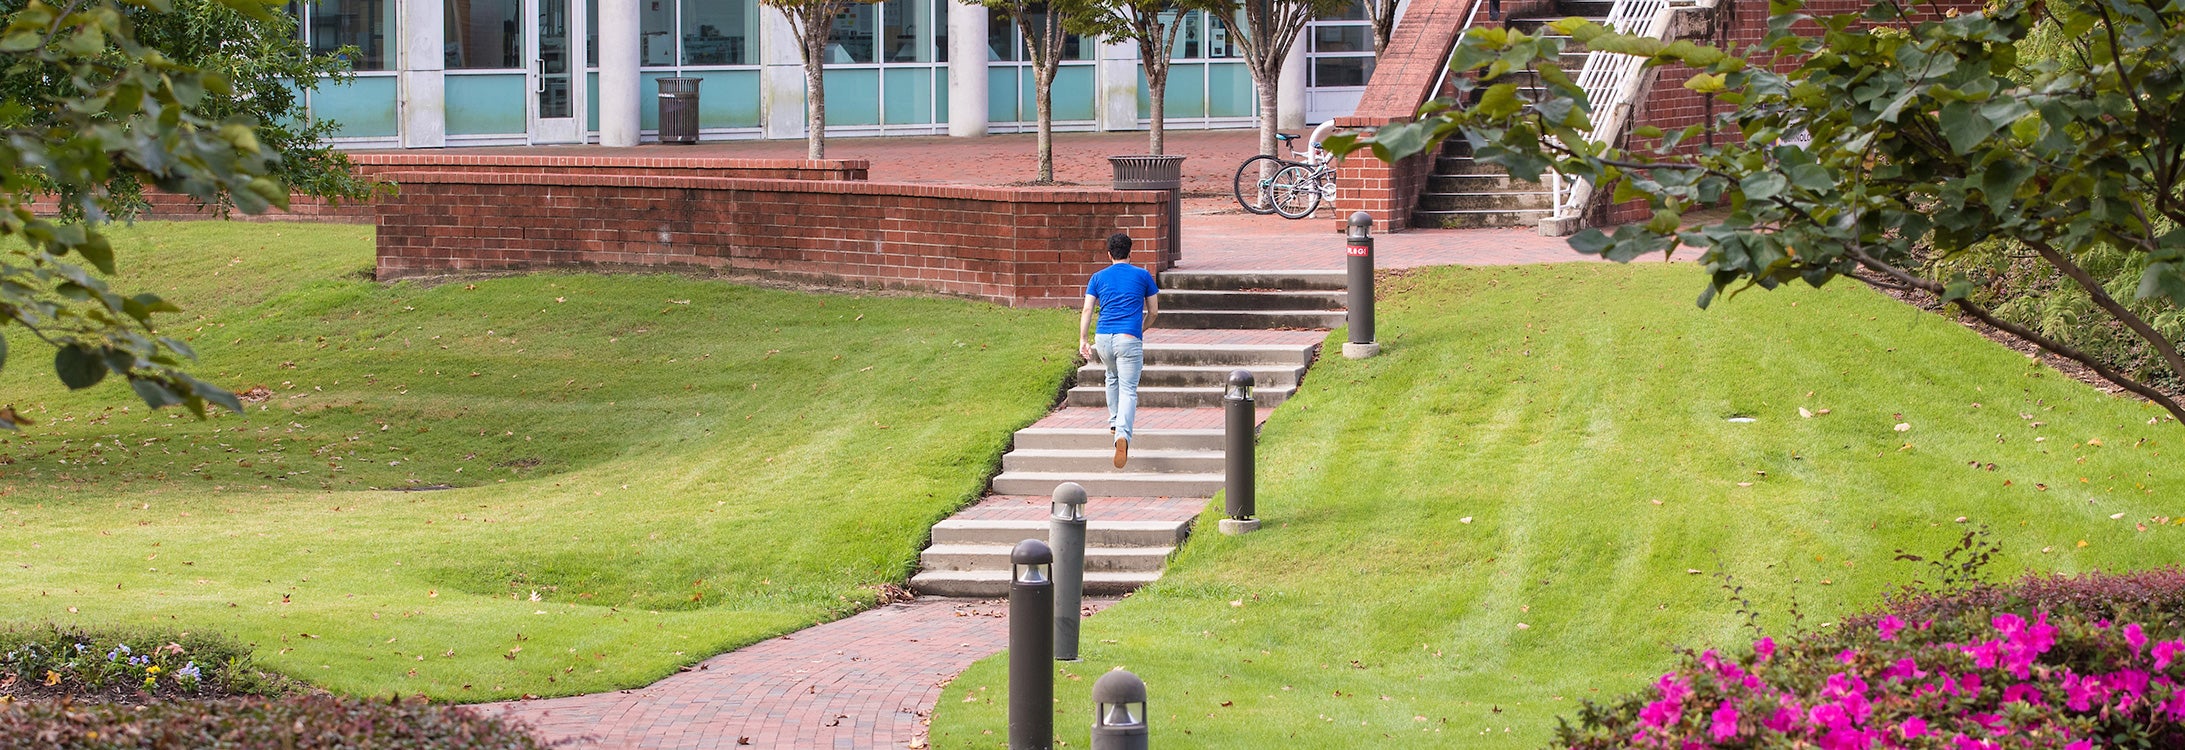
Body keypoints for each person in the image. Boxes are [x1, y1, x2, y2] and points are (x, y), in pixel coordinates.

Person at [1079, 233, 1159, 469]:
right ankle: (1122, 435)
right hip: (1128, 338)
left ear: (1109, 254)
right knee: (1129, 389)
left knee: (1111, 376)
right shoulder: (1142, 275)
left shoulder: (1097, 277)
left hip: (1103, 338)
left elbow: (1087, 310)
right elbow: (1154, 311)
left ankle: (1114, 421)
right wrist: (1139, 328)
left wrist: (1083, 339)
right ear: (1130, 253)